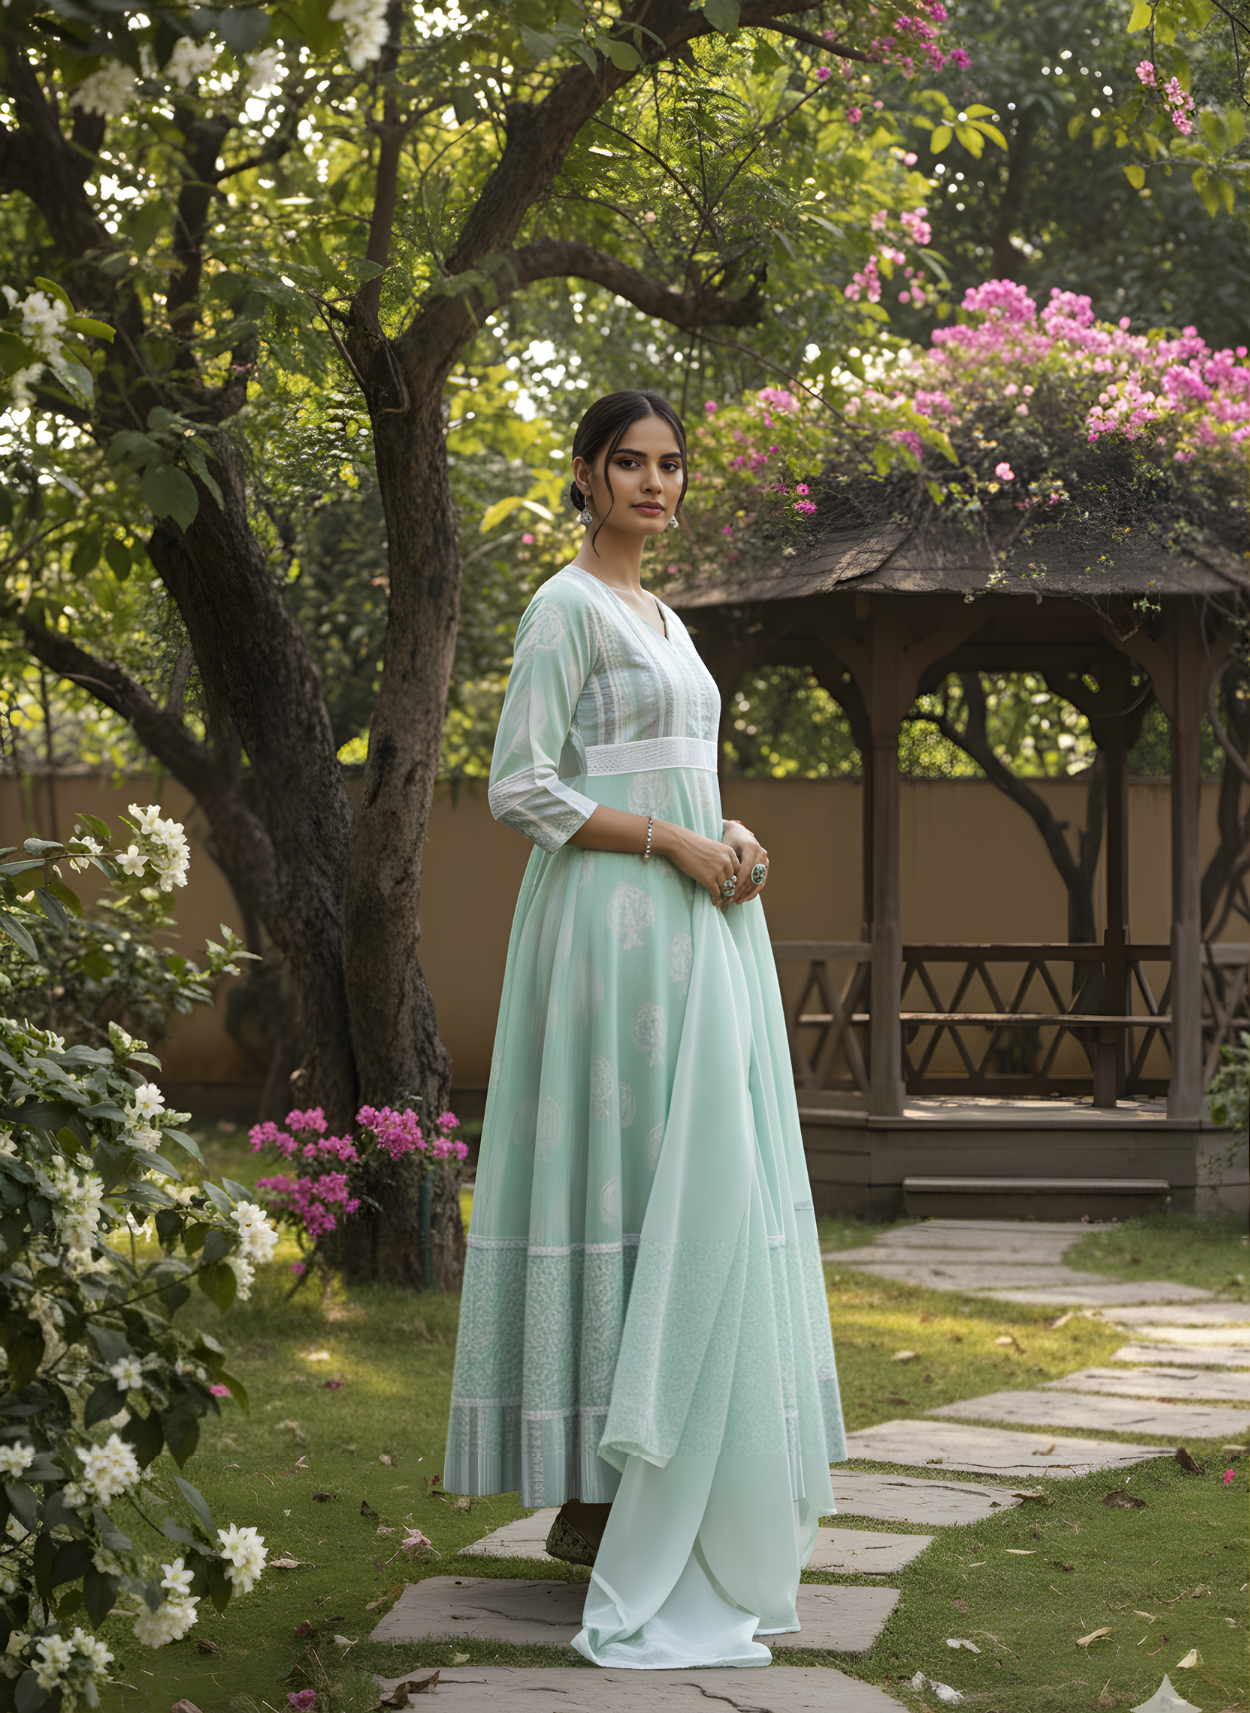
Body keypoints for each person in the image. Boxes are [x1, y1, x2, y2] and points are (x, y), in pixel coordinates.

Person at [443, 389, 845, 1669]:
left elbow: (684, 773)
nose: (654, 484)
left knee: (702, 1187)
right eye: (630, 462)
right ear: (585, 473)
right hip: (608, 934)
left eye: (670, 465)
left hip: (700, 928)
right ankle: (598, 1488)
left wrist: (728, 834)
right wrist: (671, 838)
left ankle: (671, 1459)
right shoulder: (564, 606)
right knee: (623, 1184)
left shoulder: (665, 617)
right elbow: (521, 781)